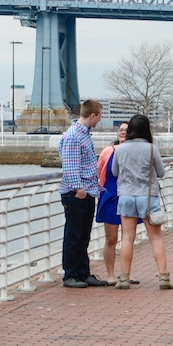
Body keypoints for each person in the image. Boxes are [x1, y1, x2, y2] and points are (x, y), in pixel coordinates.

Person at [112, 114, 173, 290]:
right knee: (155, 238)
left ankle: (124, 278)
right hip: (148, 196)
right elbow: (161, 172)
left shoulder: (120, 149)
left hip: (126, 196)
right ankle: (163, 277)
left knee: (127, 238)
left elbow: (115, 172)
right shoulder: (151, 148)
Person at [58, 99, 109, 288]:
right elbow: (70, 166)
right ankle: (70, 274)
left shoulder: (83, 135)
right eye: (99, 116)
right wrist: (78, 189)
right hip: (77, 192)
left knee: (82, 234)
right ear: (93, 115)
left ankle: (82, 272)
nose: (99, 121)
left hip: (86, 190)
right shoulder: (74, 136)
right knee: (74, 234)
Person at [96, 122, 141, 286]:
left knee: (128, 237)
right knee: (111, 238)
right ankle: (110, 275)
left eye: (126, 130)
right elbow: (100, 172)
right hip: (110, 196)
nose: (122, 132)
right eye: (120, 130)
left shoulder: (134, 151)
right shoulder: (109, 151)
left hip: (129, 196)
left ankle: (125, 274)